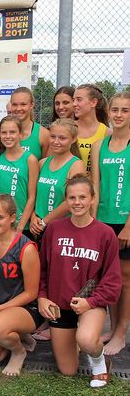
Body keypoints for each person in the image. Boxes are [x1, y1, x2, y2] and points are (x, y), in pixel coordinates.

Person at [38, 175, 122, 388]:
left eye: (83, 197)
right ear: (65, 201)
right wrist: (42, 297)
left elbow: (112, 281)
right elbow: (42, 270)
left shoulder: (106, 233)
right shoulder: (54, 229)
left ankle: (99, 361)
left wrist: (92, 302)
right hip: (59, 306)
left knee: (86, 340)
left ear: (92, 199)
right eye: (72, 198)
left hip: (89, 303)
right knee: (68, 370)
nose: (77, 202)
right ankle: (75, 339)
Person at [0, 194, 41, 376]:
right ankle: (17, 335)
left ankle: (18, 352)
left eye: (0, 217)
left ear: (13, 218)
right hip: (1, 307)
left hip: (26, 308)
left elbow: (31, 293)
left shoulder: (26, 248)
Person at [91, 91, 130, 355]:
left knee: (125, 278)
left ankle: (122, 332)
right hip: (103, 221)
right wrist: (93, 222)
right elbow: (96, 184)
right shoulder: (99, 145)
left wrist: (129, 225)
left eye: (125, 110)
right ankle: (112, 327)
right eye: (115, 110)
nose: (118, 115)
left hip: (124, 222)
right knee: (108, 278)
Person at [30, 119, 85, 240]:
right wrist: (33, 217)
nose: (56, 142)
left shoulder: (76, 165)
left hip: (62, 229)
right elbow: (33, 195)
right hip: (38, 227)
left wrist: (45, 221)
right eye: (53, 137)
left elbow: (71, 200)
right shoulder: (42, 163)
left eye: (62, 138)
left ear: (73, 139)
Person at [0, 115, 39, 236]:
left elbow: (32, 197)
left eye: (12, 132)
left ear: (21, 134)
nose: (8, 136)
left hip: (20, 226)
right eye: (4, 132)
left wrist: (20, 227)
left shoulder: (30, 160)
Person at [0, 87, 49, 159]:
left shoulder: (43, 134)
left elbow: (46, 167)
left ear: (31, 105)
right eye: (14, 104)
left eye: (23, 104)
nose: (18, 109)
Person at [73, 84, 110, 173]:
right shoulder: (68, 128)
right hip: (70, 184)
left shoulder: (107, 133)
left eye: (79, 99)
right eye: (73, 100)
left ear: (93, 102)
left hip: (95, 185)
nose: (74, 104)